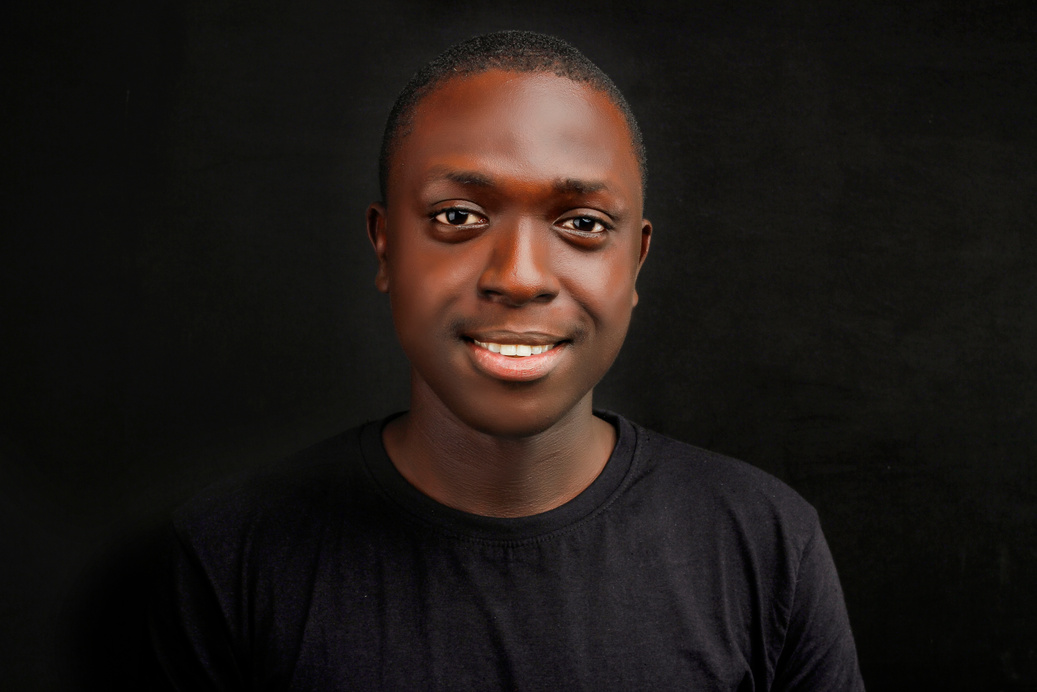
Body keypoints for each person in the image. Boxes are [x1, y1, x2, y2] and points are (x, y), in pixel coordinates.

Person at [149, 30, 865, 690]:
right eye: (458, 216)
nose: (519, 277)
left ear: (636, 260)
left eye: (581, 223)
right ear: (384, 245)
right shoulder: (231, 557)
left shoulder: (764, 542)